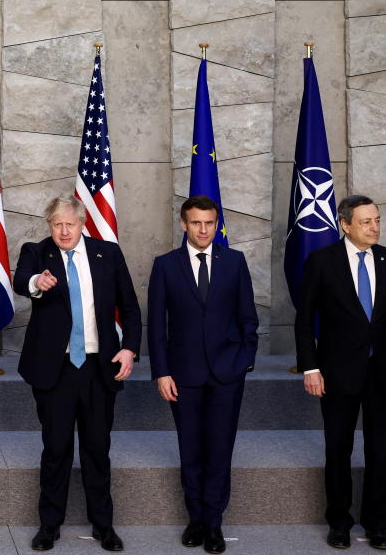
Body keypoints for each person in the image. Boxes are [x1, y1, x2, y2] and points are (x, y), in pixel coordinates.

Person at [13, 196, 141, 553]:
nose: (64, 231)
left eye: (70, 224)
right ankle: (49, 526)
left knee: (97, 449)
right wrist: (39, 281)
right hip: (56, 370)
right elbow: (22, 281)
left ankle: (103, 525)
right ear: (49, 225)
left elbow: (129, 307)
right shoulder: (36, 252)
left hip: (99, 369)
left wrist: (129, 349)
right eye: (56, 224)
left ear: (83, 223)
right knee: (55, 450)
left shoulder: (107, 254)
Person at [295, 195, 386, 550]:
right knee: (338, 449)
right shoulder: (321, 261)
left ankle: (378, 524)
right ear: (345, 225)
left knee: (380, 449)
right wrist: (311, 367)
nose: (375, 227)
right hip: (336, 372)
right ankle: (339, 522)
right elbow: (304, 321)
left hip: (383, 371)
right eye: (366, 221)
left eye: (377, 220)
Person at [147, 195, 258, 554]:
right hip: (183, 374)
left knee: (220, 449)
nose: (204, 229)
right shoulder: (165, 266)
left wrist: (244, 361)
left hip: (227, 374)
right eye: (196, 223)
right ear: (184, 225)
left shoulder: (234, 262)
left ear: (217, 223)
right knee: (190, 447)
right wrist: (162, 372)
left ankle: (213, 521)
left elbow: (248, 319)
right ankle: (194, 518)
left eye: (209, 222)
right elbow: (157, 327)